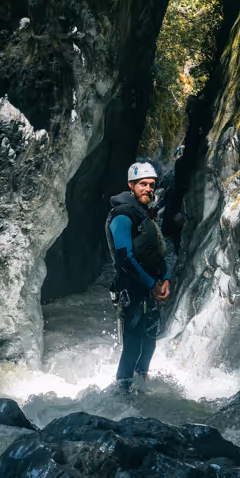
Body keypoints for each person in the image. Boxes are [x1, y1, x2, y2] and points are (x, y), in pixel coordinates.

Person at [104, 161, 170, 392]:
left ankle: (140, 384)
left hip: (149, 288)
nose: (148, 189)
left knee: (149, 340)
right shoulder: (123, 215)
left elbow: (156, 252)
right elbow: (125, 258)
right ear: (131, 185)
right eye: (143, 184)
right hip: (131, 289)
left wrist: (167, 278)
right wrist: (152, 284)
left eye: (151, 185)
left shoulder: (146, 214)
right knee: (132, 345)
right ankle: (122, 393)